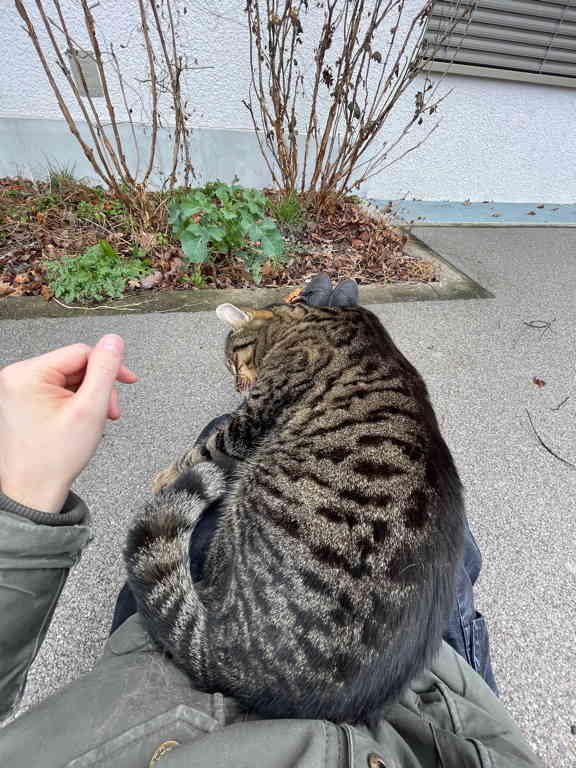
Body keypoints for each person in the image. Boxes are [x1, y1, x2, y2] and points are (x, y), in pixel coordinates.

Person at [0, 282, 543, 768]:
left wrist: (23, 491)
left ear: (251, 335)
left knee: (227, 440)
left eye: (240, 367)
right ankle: (317, 313)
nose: (240, 380)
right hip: (428, 703)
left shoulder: (269, 345)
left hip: (208, 676)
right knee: (445, 523)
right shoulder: (342, 339)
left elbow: (240, 437)